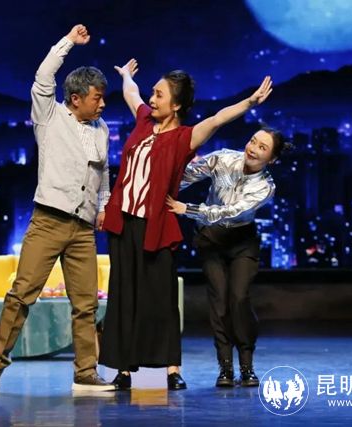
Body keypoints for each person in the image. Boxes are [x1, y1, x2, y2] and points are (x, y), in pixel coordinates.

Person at [100, 57, 273, 390]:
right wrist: (125, 76)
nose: (152, 99)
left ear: (176, 104)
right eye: (153, 93)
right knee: (123, 295)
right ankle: (123, 370)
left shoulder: (184, 138)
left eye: (159, 95)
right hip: (124, 223)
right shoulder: (142, 120)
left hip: (156, 225)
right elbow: (132, 94)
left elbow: (218, 118)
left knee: (161, 298)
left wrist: (249, 102)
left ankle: (171, 369)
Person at [0, 24, 115, 394]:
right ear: (76, 98)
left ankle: (85, 372)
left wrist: (103, 206)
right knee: (22, 294)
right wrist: (69, 42)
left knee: (86, 304)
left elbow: (102, 172)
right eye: (97, 98)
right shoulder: (49, 116)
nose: (103, 104)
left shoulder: (101, 129)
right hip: (49, 221)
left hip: (83, 228)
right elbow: (43, 76)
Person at [166, 127, 292, 388]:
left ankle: (247, 365)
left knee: (239, 297)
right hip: (211, 239)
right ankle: (225, 367)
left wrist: (187, 209)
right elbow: (187, 175)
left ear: (272, 159)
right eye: (252, 141)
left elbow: (231, 211)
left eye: (262, 148)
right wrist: (161, 188)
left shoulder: (265, 187)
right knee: (219, 301)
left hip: (241, 241)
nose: (253, 149)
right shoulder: (223, 158)